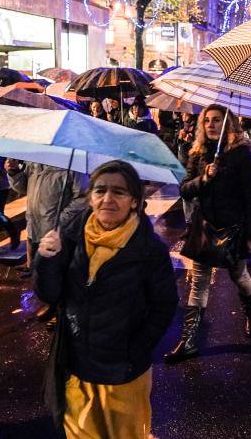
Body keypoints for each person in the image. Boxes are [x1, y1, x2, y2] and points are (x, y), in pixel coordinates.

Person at [33, 160, 178, 438]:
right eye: (100, 190)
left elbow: (164, 306)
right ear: (90, 197)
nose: (107, 199)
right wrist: (46, 259)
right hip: (76, 365)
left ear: (134, 201)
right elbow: (50, 294)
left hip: (122, 373)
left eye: (118, 192)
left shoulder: (149, 250)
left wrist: (137, 350)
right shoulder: (70, 235)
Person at [165, 105, 251, 363]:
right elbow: (185, 190)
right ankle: (189, 341)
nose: (210, 125)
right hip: (204, 227)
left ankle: (250, 312)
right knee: (199, 282)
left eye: (217, 120)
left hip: (234, 229)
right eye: (206, 120)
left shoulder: (242, 155)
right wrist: (204, 179)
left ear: (227, 124)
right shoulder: (198, 153)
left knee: (239, 276)